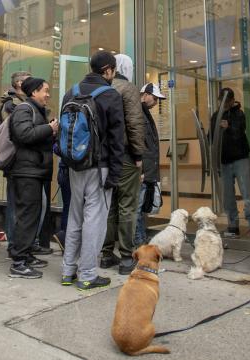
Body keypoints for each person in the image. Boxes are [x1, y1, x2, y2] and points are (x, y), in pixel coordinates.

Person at [61, 51, 125, 290]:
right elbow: (118, 138)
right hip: (100, 167)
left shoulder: (72, 92)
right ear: (107, 70)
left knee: (75, 217)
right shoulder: (110, 95)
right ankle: (87, 273)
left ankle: (68, 271)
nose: (114, 74)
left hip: (75, 165)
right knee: (94, 220)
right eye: (113, 70)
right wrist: (116, 174)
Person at [6, 77, 58, 279]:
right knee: (27, 217)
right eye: (45, 90)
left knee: (32, 216)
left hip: (34, 171)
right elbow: (24, 134)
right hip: (25, 172)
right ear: (34, 92)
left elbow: (35, 137)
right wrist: (49, 129)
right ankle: (18, 262)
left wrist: (50, 133)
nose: (47, 94)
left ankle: (26, 255)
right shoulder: (23, 109)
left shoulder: (34, 110)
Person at [101, 54, 147, 275]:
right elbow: (135, 123)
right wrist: (138, 154)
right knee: (127, 205)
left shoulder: (101, 87)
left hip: (103, 157)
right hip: (125, 156)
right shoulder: (128, 88)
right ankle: (127, 257)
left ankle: (106, 254)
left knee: (109, 206)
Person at [210, 88, 250, 240]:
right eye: (221, 100)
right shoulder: (216, 116)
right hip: (224, 161)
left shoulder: (239, 114)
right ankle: (232, 225)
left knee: (247, 193)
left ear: (231, 100)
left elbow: (239, 132)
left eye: (226, 100)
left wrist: (228, 127)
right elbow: (212, 136)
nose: (224, 103)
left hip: (240, 159)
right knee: (228, 196)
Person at [0, 72, 31, 247]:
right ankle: (13, 242)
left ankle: (22, 242)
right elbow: (14, 133)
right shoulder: (11, 104)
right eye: (27, 80)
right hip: (15, 161)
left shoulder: (22, 102)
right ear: (18, 83)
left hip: (23, 162)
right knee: (14, 204)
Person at [135, 83, 166, 244]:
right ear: (145, 95)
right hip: (142, 171)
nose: (155, 102)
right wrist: (140, 170)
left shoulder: (145, 113)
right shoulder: (138, 113)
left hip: (147, 171)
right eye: (154, 98)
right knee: (137, 208)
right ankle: (139, 242)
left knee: (142, 207)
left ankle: (140, 239)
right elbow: (137, 143)